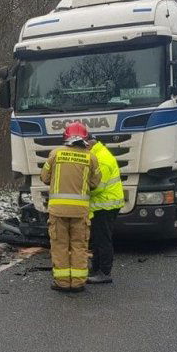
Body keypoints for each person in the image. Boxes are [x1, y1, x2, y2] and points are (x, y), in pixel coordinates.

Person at [39, 122, 101, 292]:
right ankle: (78, 282)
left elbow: (44, 177)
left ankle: (63, 283)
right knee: (79, 246)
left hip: (58, 211)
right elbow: (95, 183)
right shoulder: (91, 157)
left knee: (59, 245)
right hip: (80, 211)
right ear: (85, 138)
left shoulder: (55, 154)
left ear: (66, 137)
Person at [87, 138, 124, 285]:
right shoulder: (99, 154)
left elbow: (98, 187)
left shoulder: (101, 159)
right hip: (103, 204)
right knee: (97, 239)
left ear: (90, 143)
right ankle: (96, 269)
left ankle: (104, 272)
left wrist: (80, 191)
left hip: (105, 205)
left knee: (103, 239)